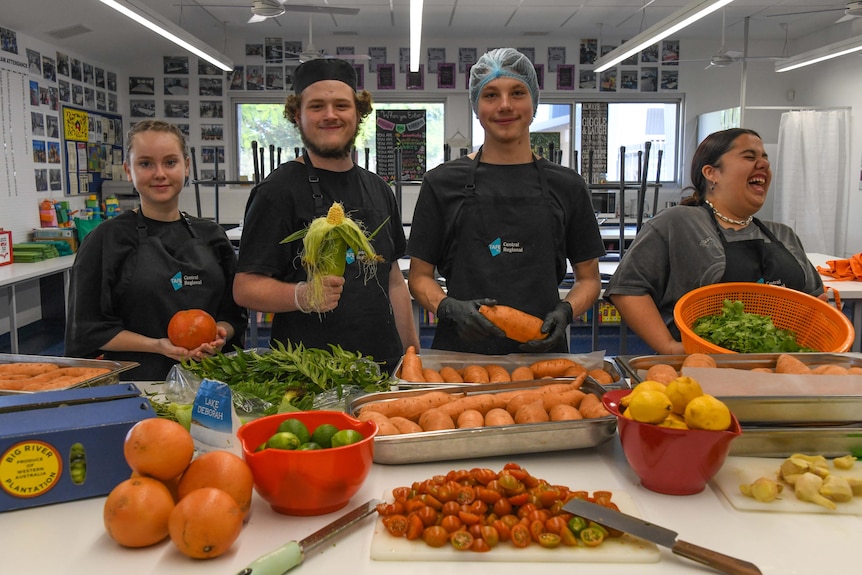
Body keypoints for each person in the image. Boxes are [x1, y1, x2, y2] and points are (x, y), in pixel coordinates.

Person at [407, 48, 605, 355]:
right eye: (490, 95)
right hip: (460, 357)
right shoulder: (441, 183)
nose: (504, 105)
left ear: (533, 102)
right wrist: (447, 307)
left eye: (517, 92)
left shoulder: (567, 185)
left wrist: (566, 311)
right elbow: (419, 277)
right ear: (476, 106)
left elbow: (589, 279)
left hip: (543, 355)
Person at [233, 58, 419, 373]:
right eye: (317, 106)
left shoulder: (379, 189)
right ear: (297, 115)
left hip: (382, 366)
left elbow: (394, 282)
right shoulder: (276, 192)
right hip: (309, 375)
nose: (330, 115)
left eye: (341, 105)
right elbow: (245, 287)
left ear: (358, 113)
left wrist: (413, 356)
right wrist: (301, 295)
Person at [604, 128, 825, 355]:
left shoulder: (783, 234)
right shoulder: (679, 223)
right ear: (711, 173)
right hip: (703, 372)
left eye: (764, 157)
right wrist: (668, 346)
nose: (763, 164)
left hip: (787, 371)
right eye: (749, 157)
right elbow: (628, 289)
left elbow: (815, 299)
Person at [66, 120, 247, 381]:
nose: (159, 173)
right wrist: (157, 345)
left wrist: (219, 333)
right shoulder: (106, 239)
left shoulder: (212, 235)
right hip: (140, 382)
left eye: (170, 162)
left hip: (213, 380)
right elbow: (88, 328)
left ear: (187, 166)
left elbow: (235, 314)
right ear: (129, 171)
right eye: (146, 164)